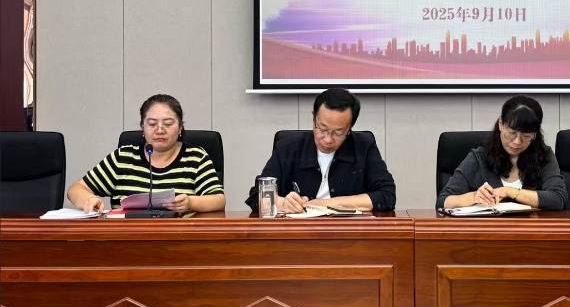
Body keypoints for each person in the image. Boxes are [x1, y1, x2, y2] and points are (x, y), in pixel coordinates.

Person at [246, 87, 396, 214]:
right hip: (298, 234)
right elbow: (257, 195)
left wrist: (327, 204)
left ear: (350, 128)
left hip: (349, 234)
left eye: (338, 133)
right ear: (314, 118)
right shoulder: (287, 148)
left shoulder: (364, 146)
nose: (328, 139)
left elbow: (387, 195)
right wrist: (283, 203)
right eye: (322, 129)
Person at [67, 94, 225, 214]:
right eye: (152, 124)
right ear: (143, 127)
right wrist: (88, 199)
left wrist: (190, 203)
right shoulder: (123, 157)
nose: (160, 130)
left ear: (180, 128)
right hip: (126, 238)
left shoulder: (195, 157)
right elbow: (76, 189)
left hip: (179, 238)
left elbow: (218, 200)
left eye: (168, 123)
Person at [436, 95, 567, 210]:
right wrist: (474, 196)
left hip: (532, 229)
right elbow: (443, 201)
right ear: (501, 124)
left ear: (535, 134)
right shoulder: (479, 158)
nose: (517, 141)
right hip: (489, 230)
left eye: (526, 136)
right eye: (512, 133)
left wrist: (510, 192)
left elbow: (558, 199)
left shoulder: (543, 156)